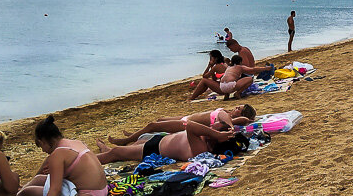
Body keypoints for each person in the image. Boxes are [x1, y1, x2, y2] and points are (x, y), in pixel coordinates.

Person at [13, 115, 109, 196]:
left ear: (42, 141)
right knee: (38, 179)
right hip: (102, 190)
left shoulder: (57, 155)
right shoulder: (76, 143)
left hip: (89, 195)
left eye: (41, 147)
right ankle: (17, 194)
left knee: (28, 192)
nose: (43, 151)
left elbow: (55, 189)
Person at [96, 119, 234, 164]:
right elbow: (188, 126)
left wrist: (217, 134)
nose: (211, 126)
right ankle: (105, 150)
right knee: (125, 151)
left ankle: (87, 160)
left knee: (116, 153)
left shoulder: (201, 148)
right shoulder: (203, 137)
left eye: (216, 127)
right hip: (160, 140)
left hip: (155, 149)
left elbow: (191, 126)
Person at [107, 104, 256, 145]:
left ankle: (126, 140)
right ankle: (133, 135)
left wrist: (244, 121)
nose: (236, 108)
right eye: (238, 106)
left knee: (153, 125)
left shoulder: (230, 119)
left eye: (239, 109)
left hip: (186, 124)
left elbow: (242, 121)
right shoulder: (226, 112)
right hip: (186, 117)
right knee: (158, 121)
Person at [188, 55, 258, 100]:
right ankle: (228, 95)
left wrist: (209, 66)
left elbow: (205, 76)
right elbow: (214, 79)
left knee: (204, 80)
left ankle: (192, 97)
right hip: (228, 85)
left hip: (226, 87)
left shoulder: (218, 66)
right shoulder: (225, 64)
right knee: (207, 81)